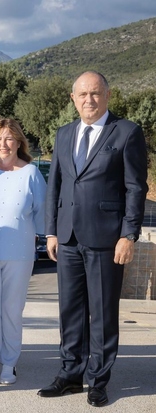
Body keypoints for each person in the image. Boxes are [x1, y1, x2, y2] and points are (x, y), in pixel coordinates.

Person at [38, 71, 148, 407]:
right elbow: (54, 185)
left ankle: (99, 379)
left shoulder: (127, 132)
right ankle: (71, 375)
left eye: (96, 93)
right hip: (68, 238)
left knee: (102, 313)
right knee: (70, 311)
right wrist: (52, 231)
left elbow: (135, 188)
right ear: (73, 98)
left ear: (107, 95)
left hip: (106, 239)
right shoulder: (64, 134)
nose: (89, 100)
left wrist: (128, 234)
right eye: (83, 94)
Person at [0, 119, 47, 385]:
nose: (3, 144)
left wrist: (48, 239)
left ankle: (10, 363)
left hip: (20, 253)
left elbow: (42, 213)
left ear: (19, 142)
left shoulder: (31, 174)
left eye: (9, 139)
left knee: (12, 309)